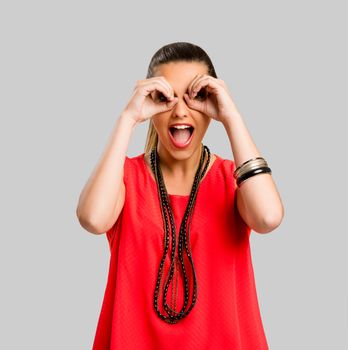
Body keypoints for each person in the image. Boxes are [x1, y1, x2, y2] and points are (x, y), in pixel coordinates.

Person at [76, 42, 284, 349]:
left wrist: (232, 117)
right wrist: (128, 118)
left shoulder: (232, 179)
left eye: (197, 95)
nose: (181, 110)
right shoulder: (125, 179)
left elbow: (268, 217)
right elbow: (93, 218)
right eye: (165, 96)